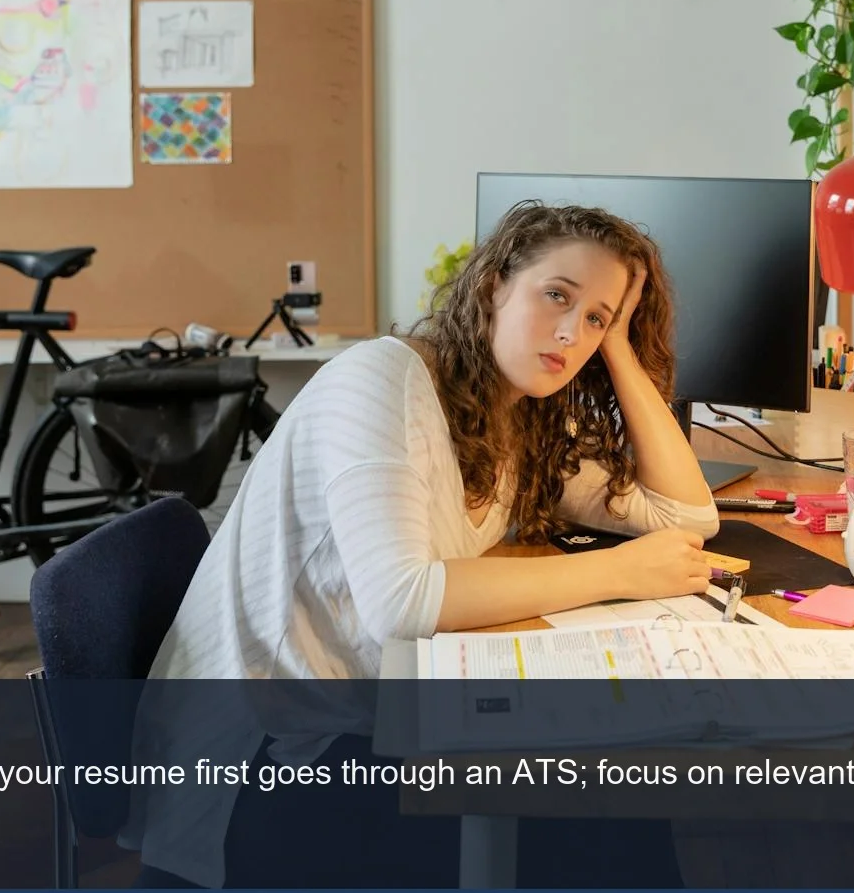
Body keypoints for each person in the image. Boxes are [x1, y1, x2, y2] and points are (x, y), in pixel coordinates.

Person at [125, 202, 719, 887]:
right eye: (556, 294)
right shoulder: (383, 377)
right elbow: (402, 601)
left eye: (595, 317)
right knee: (594, 826)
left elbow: (684, 512)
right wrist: (621, 570)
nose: (569, 331)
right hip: (261, 766)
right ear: (495, 283)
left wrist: (616, 348)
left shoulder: (515, 413)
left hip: (361, 724)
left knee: (614, 815)